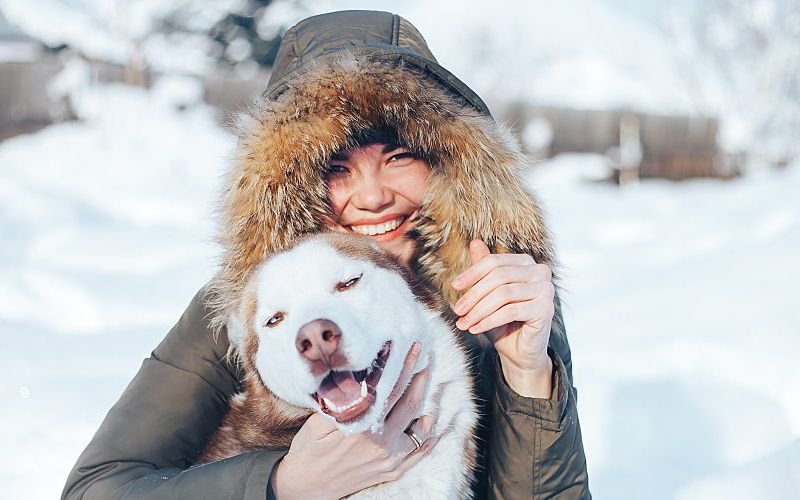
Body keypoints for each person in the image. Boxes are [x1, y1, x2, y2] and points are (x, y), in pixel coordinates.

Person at [62, 10, 590, 500]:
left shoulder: (499, 289)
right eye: (337, 169)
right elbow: (98, 487)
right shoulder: (246, 307)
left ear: (449, 164)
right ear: (291, 188)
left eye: (399, 157)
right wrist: (280, 483)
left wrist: (528, 375)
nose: (373, 196)